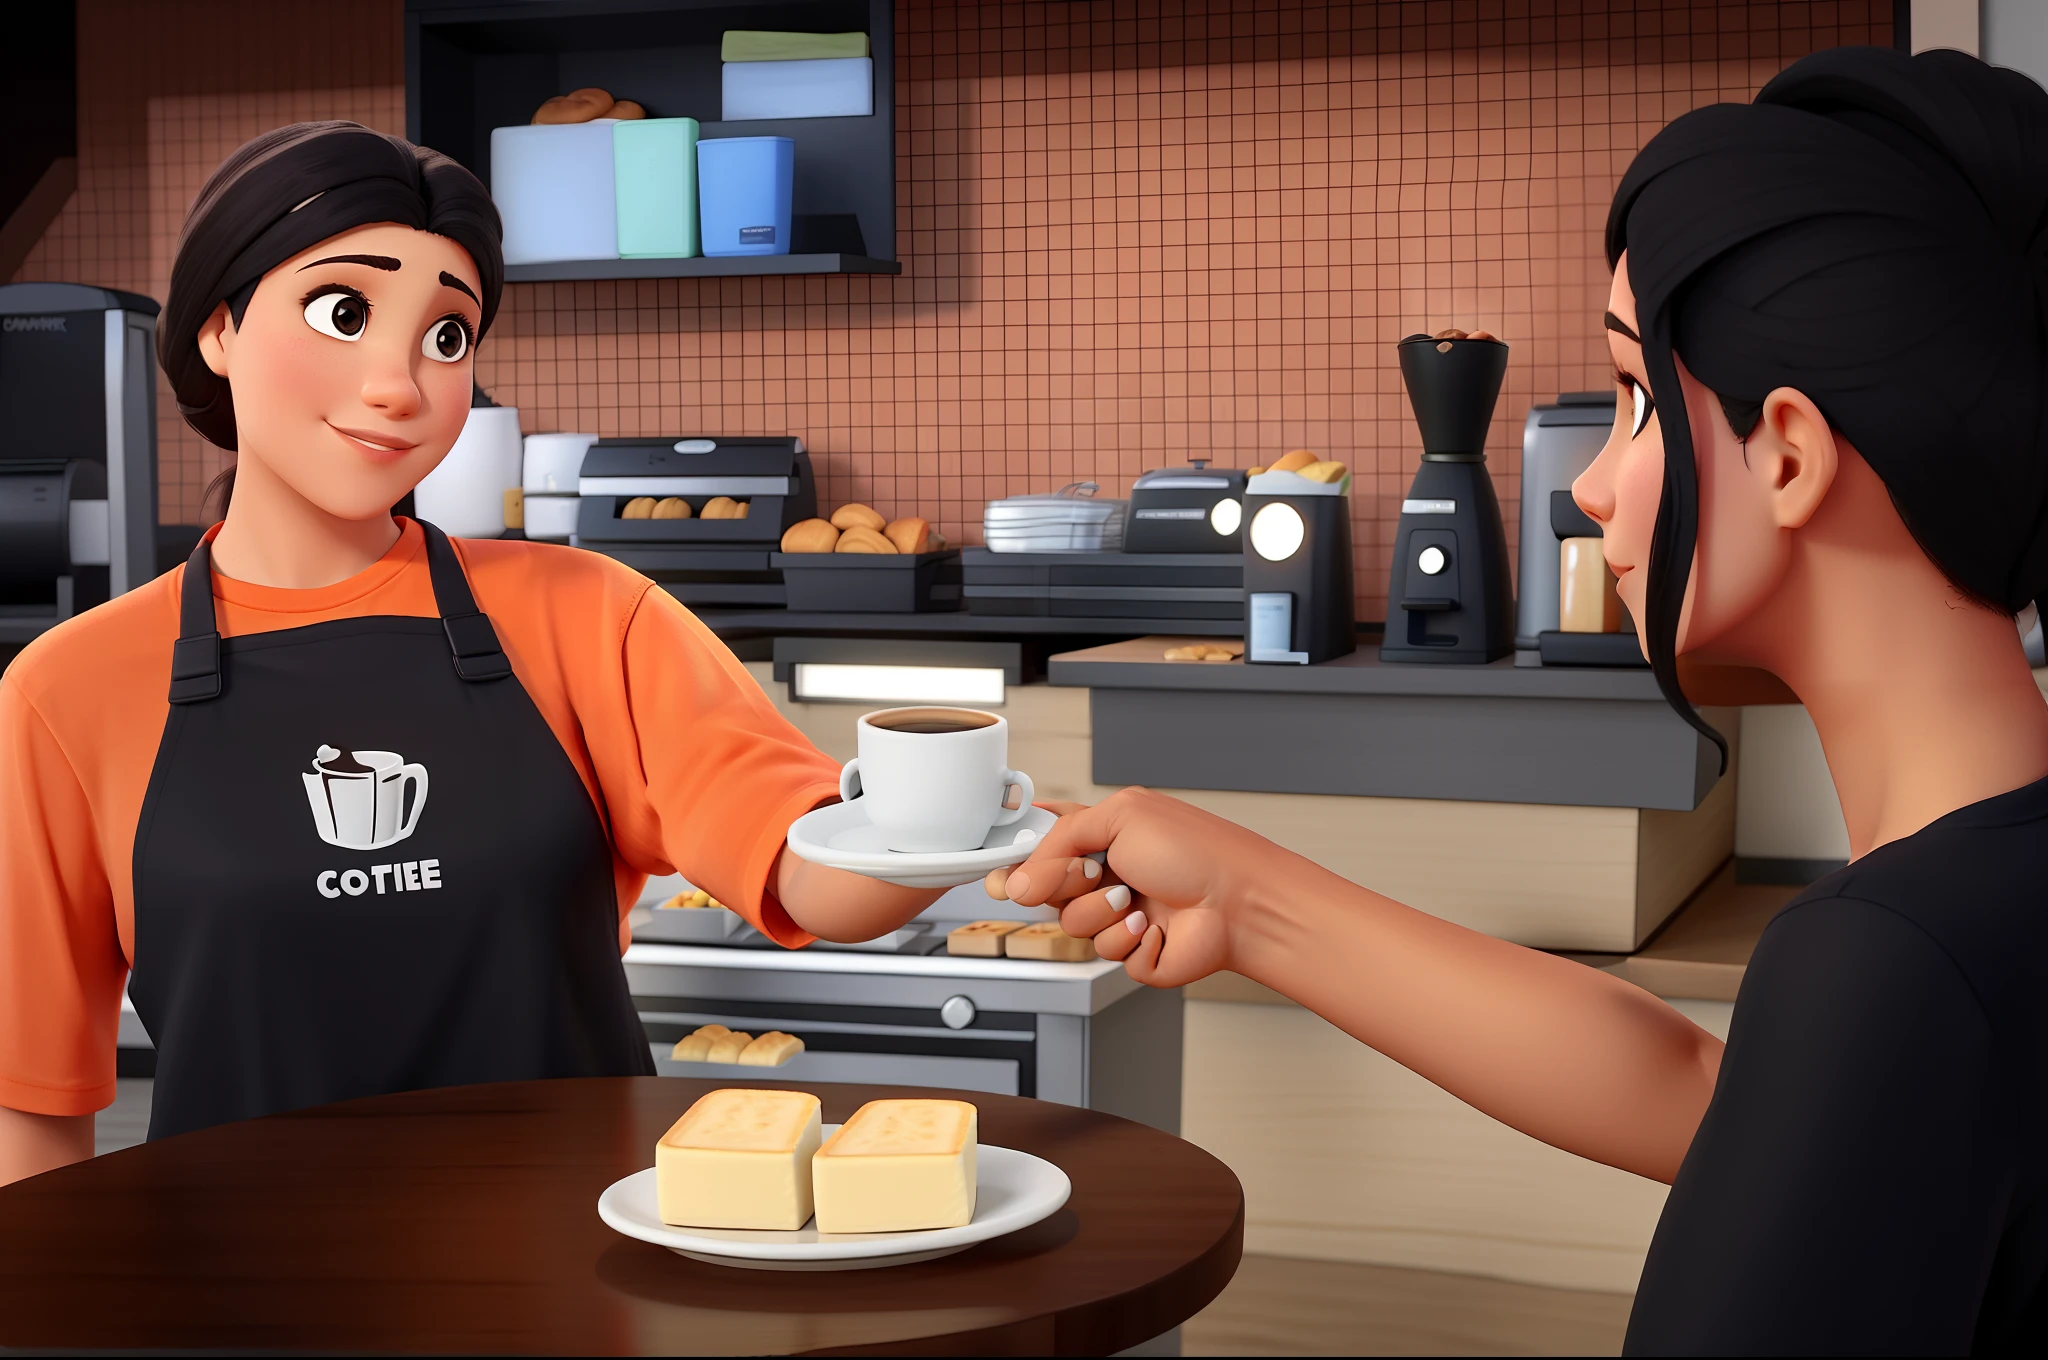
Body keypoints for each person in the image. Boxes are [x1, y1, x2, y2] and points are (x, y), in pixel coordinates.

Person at [1002, 46, 2048, 1352]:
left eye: (1633, 402)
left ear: (1787, 452)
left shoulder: (1891, 963)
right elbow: (1736, 1105)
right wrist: (1248, 900)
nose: (1597, 486)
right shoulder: (1963, 927)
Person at [0, 122, 940, 1185]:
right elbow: (30, 1105)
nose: (400, 384)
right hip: (242, 1307)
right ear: (218, 326)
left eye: (446, 335)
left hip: (574, 1299)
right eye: (343, 312)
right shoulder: (66, 692)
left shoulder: (589, 616)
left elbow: (810, 873)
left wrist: (983, 823)